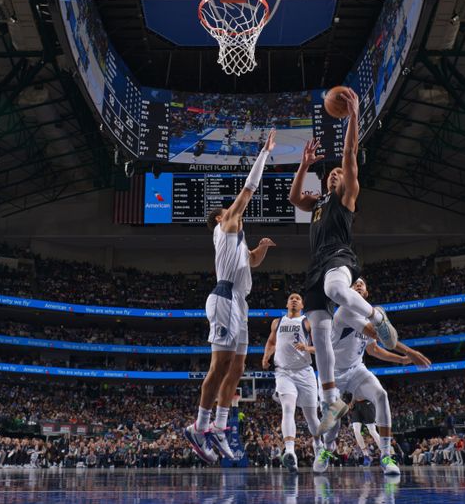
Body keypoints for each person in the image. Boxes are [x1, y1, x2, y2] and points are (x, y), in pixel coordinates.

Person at [289, 88, 397, 436]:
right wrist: (304, 165)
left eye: (339, 174)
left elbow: (349, 153)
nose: (335, 174)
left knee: (337, 288)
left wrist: (353, 117)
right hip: (315, 263)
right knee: (319, 331)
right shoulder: (317, 201)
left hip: (339, 255)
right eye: (331, 173)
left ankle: (376, 316)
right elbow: (294, 198)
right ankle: (331, 396)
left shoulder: (346, 197)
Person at [184, 129, 278, 463]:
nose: (233, 210)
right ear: (220, 219)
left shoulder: (237, 241)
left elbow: (251, 260)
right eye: (228, 210)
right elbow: (248, 190)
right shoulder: (224, 228)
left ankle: (220, 429)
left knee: (237, 369)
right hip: (223, 298)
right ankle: (200, 424)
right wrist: (264, 153)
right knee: (220, 363)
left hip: (240, 302)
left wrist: (262, 249)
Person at [317, 278, 430, 474]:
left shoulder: (369, 315)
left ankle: (386, 456)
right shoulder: (345, 309)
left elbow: (374, 350)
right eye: (354, 284)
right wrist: (411, 352)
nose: (358, 285)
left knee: (381, 395)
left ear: (366, 292)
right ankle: (327, 449)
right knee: (332, 420)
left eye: (362, 283)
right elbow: (378, 334)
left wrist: (401, 360)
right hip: (331, 373)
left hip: (355, 369)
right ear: (348, 290)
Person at [261, 293, 322, 473]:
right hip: (283, 372)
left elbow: (323, 345)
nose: (294, 300)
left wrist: (308, 348)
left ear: (302, 304)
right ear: (287, 303)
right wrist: (266, 357)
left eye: (297, 298)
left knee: (311, 416)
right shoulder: (277, 322)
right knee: (288, 408)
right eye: (291, 298)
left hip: (305, 372)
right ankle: (289, 452)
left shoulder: (307, 322)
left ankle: (319, 447)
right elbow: (271, 342)